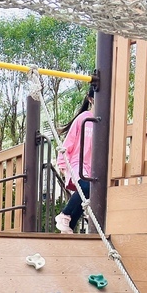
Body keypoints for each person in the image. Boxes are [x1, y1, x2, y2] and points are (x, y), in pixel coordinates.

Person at [54, 89, 96, 234]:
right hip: (76, 163)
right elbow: (68, 143)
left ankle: (68, 228)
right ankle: (64, 215)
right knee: (86, 187)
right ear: (90, 99)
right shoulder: (83, 118)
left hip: (92, 168)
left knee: (87, 193)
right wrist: (62, 164)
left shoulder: (104, 121)